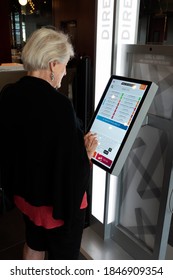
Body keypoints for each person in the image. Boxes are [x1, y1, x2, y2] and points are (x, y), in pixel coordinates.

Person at [0, 27, 98, 260]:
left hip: (24, 198)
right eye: (64, 65)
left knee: (33, 244)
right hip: (54, 207)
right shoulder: (60, 106)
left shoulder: (9, 94)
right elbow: (72, 171)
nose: (65, 73)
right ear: (53, 64)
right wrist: (87, 155)